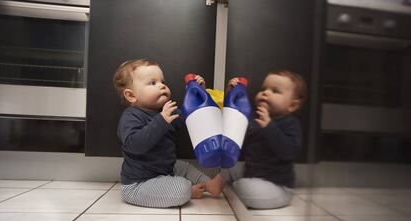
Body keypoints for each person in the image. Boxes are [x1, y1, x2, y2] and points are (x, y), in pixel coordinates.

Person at [113, 59, 221, 208]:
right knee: (181, 188)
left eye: (162, 81)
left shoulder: (167, 111)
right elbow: (134, 145)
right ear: (131, 95)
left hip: (165, 169)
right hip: (139, 184)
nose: (162, 85)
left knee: (184, 167)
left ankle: (210, 184)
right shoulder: (131, 116)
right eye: (152, 83)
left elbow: (192, 119)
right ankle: (189, 191)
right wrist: (161, 120)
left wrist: (198, 93)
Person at [206, 70, 306, 209]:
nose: (265, 93)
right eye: (263, 89)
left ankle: (236, 187)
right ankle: (216, 185)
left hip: (276, 186)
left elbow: (289, 151)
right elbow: (234, 125)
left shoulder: (290, 124)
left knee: (246, 188)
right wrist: (232, 95)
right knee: (231, 164)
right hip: (251, 171)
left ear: (292, 105)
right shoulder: (254, 117)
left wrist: (269, 127)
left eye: (275, 91)